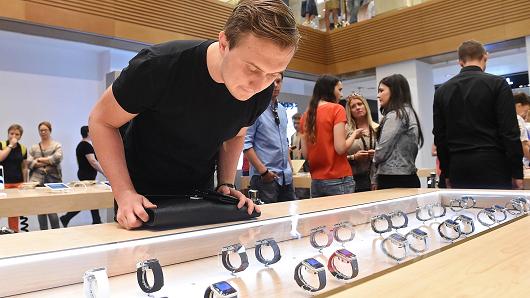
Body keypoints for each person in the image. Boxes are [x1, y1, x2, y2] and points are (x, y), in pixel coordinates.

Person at [88, 0, 300, 230]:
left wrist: (226, 183)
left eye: (273, 74)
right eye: (252, 68)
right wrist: (124, 192)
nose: (259, 84)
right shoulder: (159, 66)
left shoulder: (262, 91)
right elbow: (101, 120)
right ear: (224, 43)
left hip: (202, 197)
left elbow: (236, 134)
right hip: (142, 195)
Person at [433, 40, 523, 190]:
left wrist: (446, 173)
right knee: (497, 212)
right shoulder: (498, 84)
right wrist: (517, 171)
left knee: (463, 212)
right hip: (493, 165)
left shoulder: (442, 91)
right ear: (485, 57)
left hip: (458, 165)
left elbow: (439, 136)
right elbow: (510, 132)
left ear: (460, 62)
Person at [300, 75, 363, 198]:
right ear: (329, 89)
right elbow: (340, 148)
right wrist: (354, 134)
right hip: (339, 178)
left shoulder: (306, 115)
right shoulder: (337, 109)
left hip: (317, 181)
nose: (342, 94)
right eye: (339, 90)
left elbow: (305, 154)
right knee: (344, 217)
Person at [244, 73, 297, 203]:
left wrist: (290, 169)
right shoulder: (255, 108)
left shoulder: (283, 110)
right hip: (265, 178)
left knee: (289, 219)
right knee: (268, 220)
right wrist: (264, 172)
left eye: (278, 81)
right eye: (271, 81)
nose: (275, 85)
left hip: (286, 177)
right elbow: (245, 144)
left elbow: (284, 141)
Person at [372, 74, 424, 190]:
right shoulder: (409, 112)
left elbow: (382, 150)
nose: (378, 95)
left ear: (394, 91)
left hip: (393, 179)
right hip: (407, 176)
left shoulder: (396, 114)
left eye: (381, 91)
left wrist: (374, 157)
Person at [60, 126, 105, 227]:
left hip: (83, 174)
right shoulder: (86, 146)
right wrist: (104, 172)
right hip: (87, 176)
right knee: (89, 199)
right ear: (89, 133)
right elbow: (93, 161)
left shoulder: (81, 145)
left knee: (91, 199)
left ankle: (96, 220)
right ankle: (67, 217)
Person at [28, 121, 63, 230]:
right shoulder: (34, 147)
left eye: (45, 130)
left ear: (50, 131)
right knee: (40, 209)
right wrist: (47, 161)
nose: (43, 132)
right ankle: (43, 233)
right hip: (37, 182)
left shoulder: (56, 145)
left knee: (52, 209)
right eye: (41, 130)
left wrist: (38, 159)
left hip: (53, 181)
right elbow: (29, 162)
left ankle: (56, 233)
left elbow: (57, 158)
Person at [345, 93, 378, 192]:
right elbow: (336, 157)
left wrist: (376, 154)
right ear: (349, 111)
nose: (358, 108)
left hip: (374, 179)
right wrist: (354, 157)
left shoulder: (377, 128)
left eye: (360, 104)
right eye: (353, 106)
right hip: (351, 180)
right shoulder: (345, 130)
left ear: (365, 106)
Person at [0, 124, 28, 232]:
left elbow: (24, 167)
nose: (14, 136)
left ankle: (14, 232)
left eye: (17, 134)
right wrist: (10, 145)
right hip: (3, 183)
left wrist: (25, 183)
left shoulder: (23, 148)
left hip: (18, 183)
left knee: (13, 210)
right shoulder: (2, 145)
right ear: (8, 134)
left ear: (20, 136)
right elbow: (1, 158)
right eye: (12, 133)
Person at [513, 93, 530, 163]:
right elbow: (524, 146)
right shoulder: (518, 118)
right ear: (519, 105)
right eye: (525, 111)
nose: (525, 114)